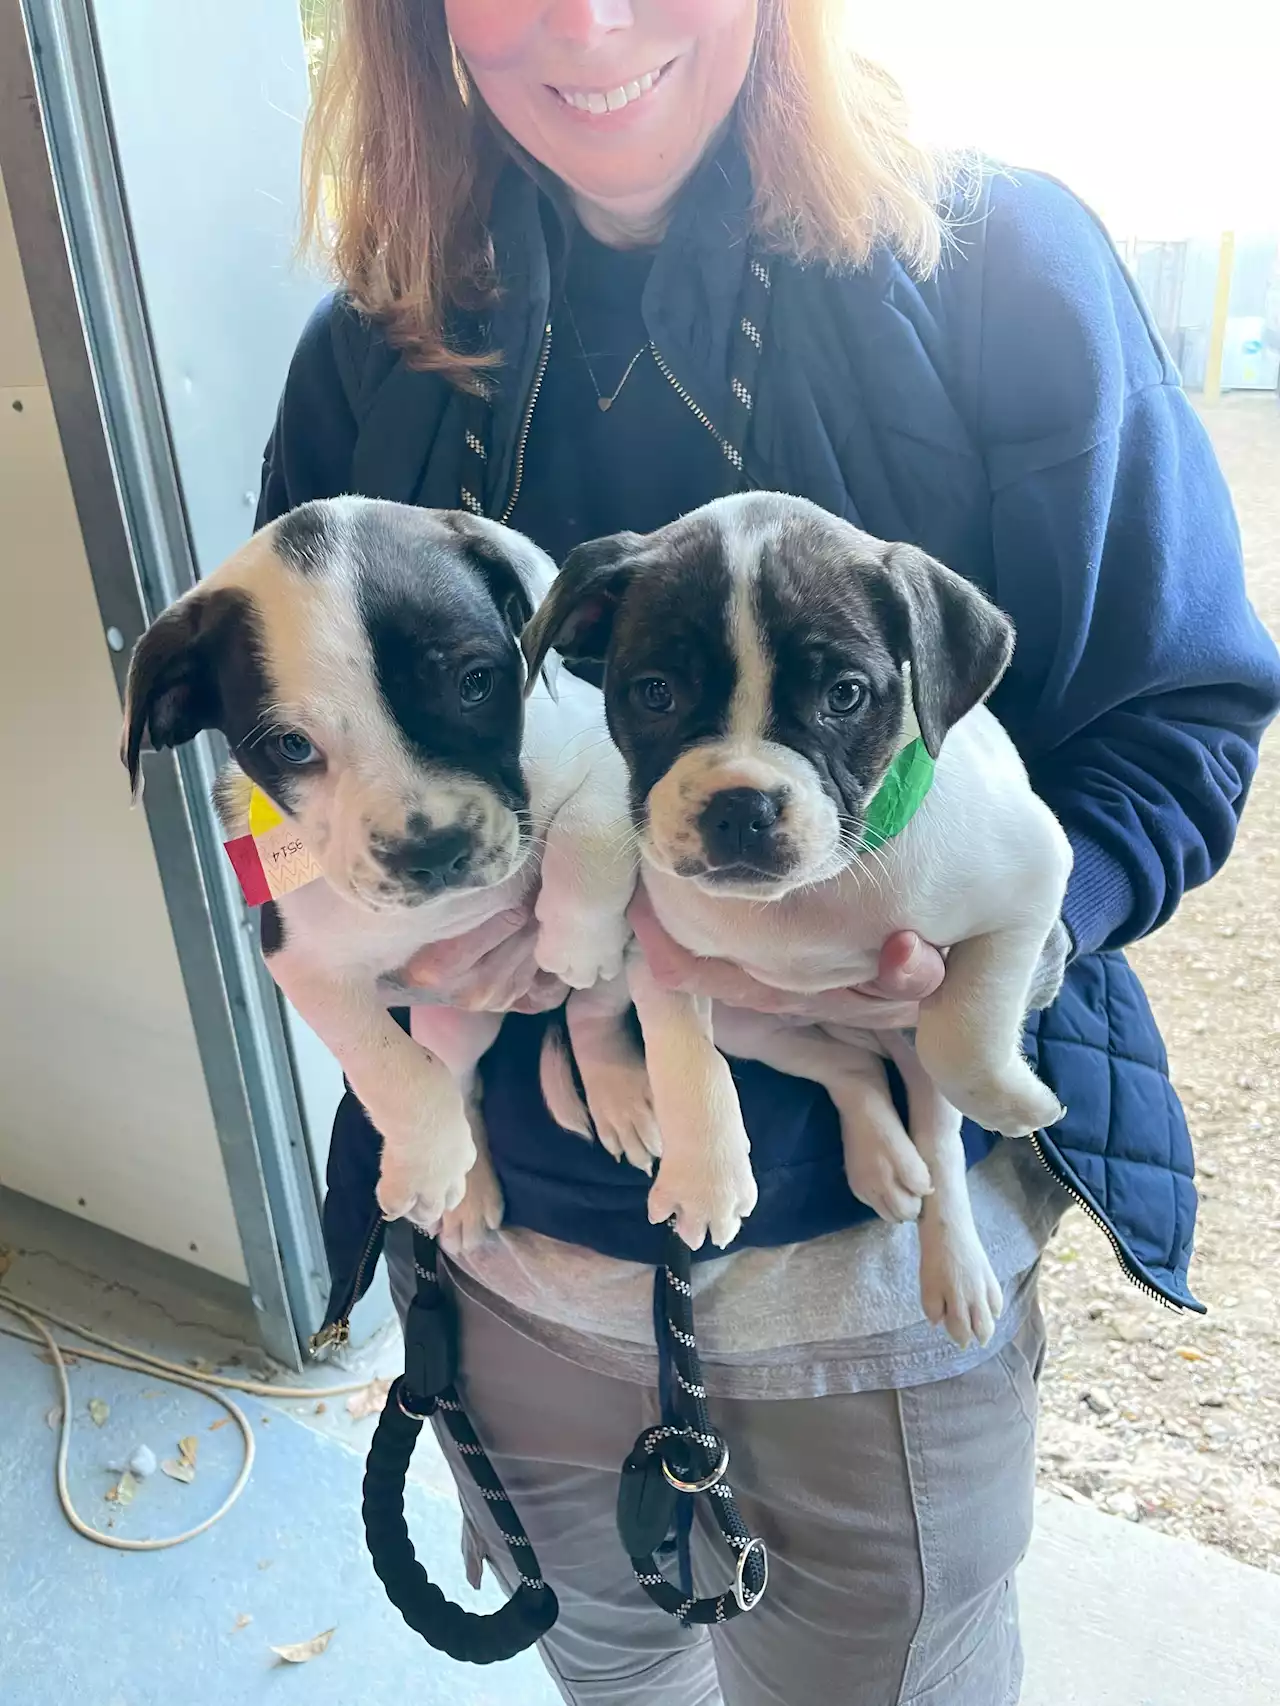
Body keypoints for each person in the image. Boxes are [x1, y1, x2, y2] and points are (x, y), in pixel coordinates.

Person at [257, 3, 1280, 1701]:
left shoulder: (997, 266)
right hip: (511, 1266)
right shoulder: (378, 350)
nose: (589, 23)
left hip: (875, 1283)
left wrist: (992, 953)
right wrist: (383, 954)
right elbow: (261, 758)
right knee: (606, 1669)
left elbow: (1183, 719)